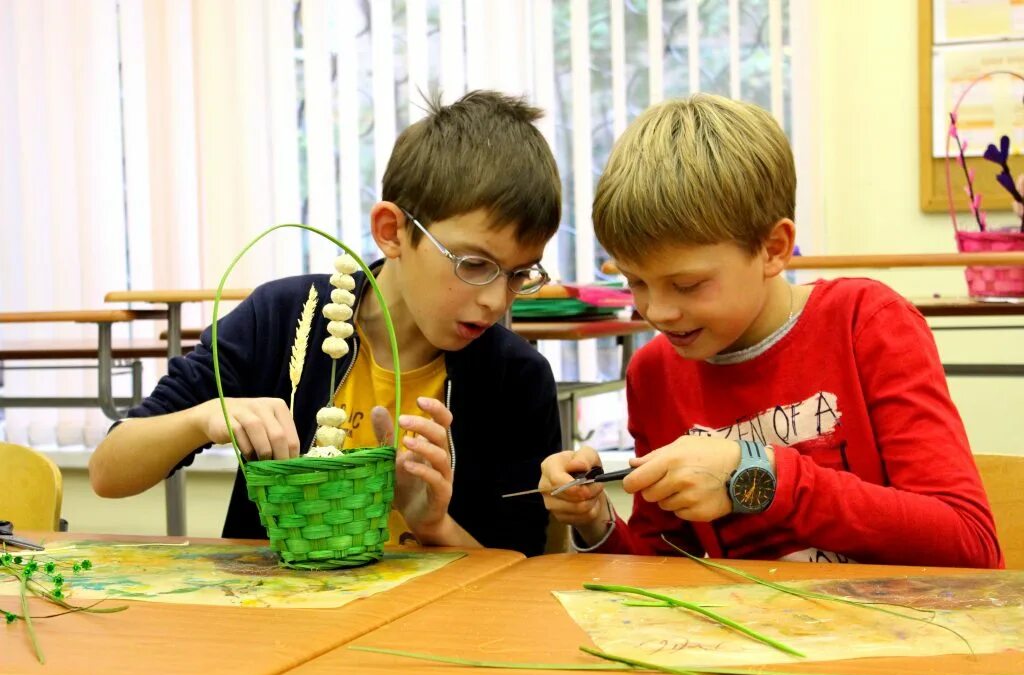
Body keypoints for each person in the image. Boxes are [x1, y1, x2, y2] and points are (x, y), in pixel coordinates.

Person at [90, 91, 563, 557]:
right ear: (392, 232)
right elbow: (108, 473)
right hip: (279, 620)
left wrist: (432, 523)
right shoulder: (281, 318)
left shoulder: (517, 378)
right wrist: (206, 415)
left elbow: (518, 574)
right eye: (474, 265)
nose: (497, 300)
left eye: (520, 273)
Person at [539, 93, 1003, 568]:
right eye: (635, 281)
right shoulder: (655, 373)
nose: (657, 311)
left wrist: (757, 475)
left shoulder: (866, 323)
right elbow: (664, 565)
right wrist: (596, 519)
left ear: (774, 248)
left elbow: (969, 546)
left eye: (687, 285)